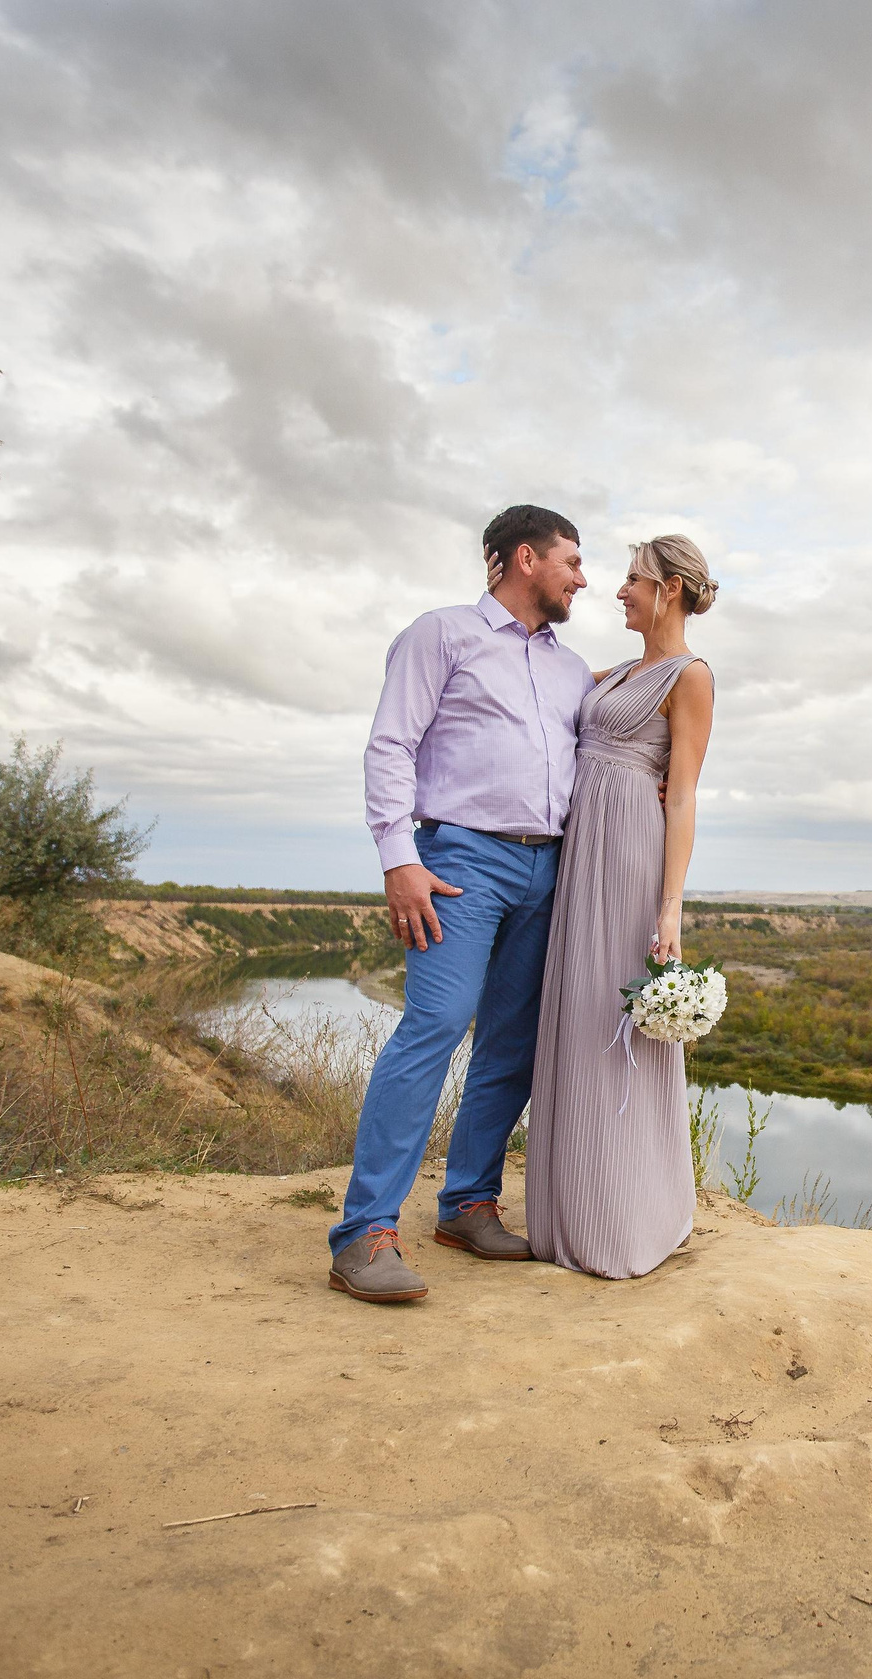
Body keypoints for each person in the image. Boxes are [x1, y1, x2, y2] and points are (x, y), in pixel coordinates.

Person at [327, 504, 592, 1304]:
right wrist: (397, 856)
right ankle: (364, 1232)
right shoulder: (440, 634)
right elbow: (390, 744)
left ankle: (467, 1205)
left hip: (549, 869)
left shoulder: (573, 669)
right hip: (459, 861)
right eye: (572, 561)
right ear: (522, 559)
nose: (584, 577)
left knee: (511, 1039)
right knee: (437, 1024)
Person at [525, 534, 719, 1279]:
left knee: (618, 1023)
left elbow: (685, 793)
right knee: (575, 1016)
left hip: (632, 852)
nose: (618, 591)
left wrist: (669, 907)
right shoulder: (614, 673)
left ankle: (625, 1218)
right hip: (583, 853)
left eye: (633, 579)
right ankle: (569, 1209)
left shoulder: (690, 676)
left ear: (669, 588)